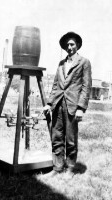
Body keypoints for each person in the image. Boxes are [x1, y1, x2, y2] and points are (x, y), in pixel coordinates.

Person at [43, 31, 92, 176]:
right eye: (67, 45)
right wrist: (49, 104)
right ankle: (57, 168)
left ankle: (70, 167)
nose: (69, 47)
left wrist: (81, 108)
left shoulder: (84, 62)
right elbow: (55, 85)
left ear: (77, 46)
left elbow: (86, 86)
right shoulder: (61, 63)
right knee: (57, 136)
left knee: (71, 139)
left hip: (72, 106)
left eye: (72, 44)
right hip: (58, 105)